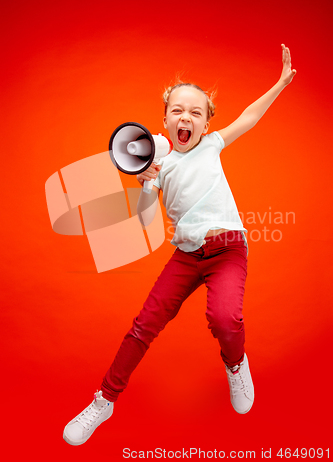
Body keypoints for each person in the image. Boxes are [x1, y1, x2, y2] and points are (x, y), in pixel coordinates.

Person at [63, 45, 296, 446]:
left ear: (206, 124)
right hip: (187, 255)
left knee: (225, 320)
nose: (185, 117)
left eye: (195, 112)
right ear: (165, 121)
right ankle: (104, 400)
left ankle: (235, 365)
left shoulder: (211, 145)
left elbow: (249, 118)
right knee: (142, 328)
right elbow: (145, 220)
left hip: (227, 250)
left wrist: (280, 84)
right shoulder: (158, 162)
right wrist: (147, 182)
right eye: (177, 110)